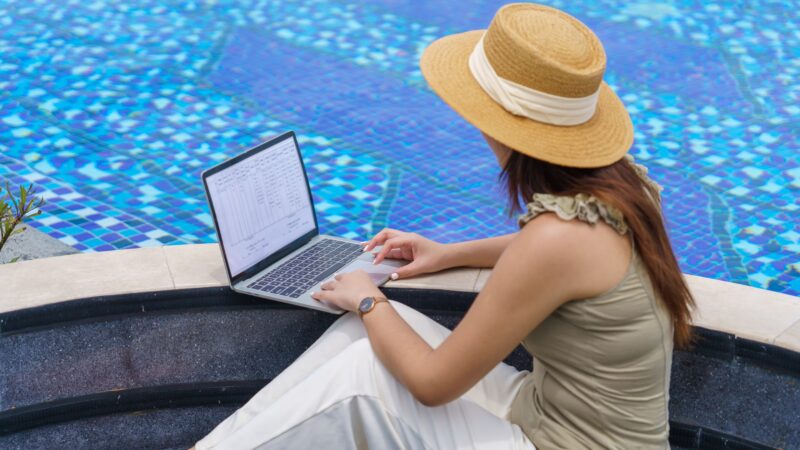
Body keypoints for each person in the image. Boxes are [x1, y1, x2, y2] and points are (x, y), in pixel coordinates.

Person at [195, 3, 694, 449]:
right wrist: (447, 253)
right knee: (361, 337)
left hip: (563, 442)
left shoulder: (556, 240)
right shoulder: (624, 188)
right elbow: (555, 256)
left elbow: (433, 385)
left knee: (361, 373)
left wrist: (370, 299)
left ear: (501, 122)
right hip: (547, 414)